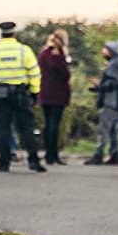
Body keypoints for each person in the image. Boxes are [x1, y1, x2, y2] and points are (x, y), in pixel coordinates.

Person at [0, 22, 45, 173]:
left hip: (1, 95)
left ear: (1, 34)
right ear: (14, 34)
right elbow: (34, 73)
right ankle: (34, 162)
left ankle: (4, 163)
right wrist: (35, 92)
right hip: (21, 93)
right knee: (27, 128)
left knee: (3, 129)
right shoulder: (24, 51)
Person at [84, 41, 118, 166]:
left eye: (105, 49)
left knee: (104, 129)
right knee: (113, 130)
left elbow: (113, 82)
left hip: (110, 102)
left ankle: (99, 154)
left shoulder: (113, 65)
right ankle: (116, 154)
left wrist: (99, 87)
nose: (103, 51)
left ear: (111, 51)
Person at [38, 29, 72, 165]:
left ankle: (48, 153)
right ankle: (54, 154)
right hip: (58, 93)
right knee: (54, 124)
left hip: (45, 92)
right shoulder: (59, 55)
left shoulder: (43, 53)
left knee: (47, 124)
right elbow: (65, 74)